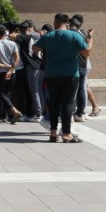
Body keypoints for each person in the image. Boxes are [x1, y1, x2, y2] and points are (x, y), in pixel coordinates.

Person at [33, 13, 92, 143]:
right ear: (67, 23)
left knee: (53, 102)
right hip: (70, 74)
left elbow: (35, 48)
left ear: (55, 21)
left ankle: (53, 133)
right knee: (68, 103)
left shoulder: (48, 36)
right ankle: (66, 134)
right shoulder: (74, 35)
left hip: (52, 73)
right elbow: (86, 52)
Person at [0, 25, 23, 124]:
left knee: (1, 93)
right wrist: (11, 70)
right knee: (7, 94)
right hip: (12, 72)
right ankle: (5, 115)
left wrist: (3, 65)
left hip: (0, 72)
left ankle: (14, 111)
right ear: (5, 33)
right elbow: (17, 59)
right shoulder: (13, 44)